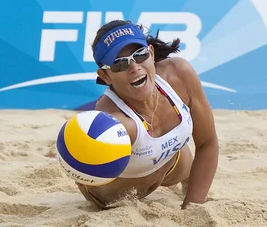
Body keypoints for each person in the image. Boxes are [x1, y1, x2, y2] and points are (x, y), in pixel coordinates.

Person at [75, 20, 219, 209]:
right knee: (149, 145)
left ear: (151, 53)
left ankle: (183, 181)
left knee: (186, 163)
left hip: (171, 165)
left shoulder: (179, 75)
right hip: (112, 197)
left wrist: (191, 210)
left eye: (140, 54)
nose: (134, 67)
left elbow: (208, 144)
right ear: (105, 76)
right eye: (119, 64)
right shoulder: (114, 120)